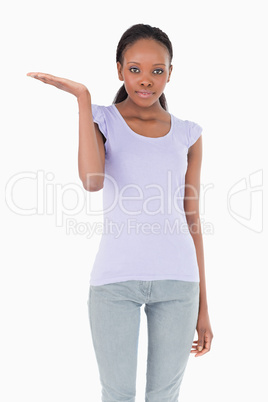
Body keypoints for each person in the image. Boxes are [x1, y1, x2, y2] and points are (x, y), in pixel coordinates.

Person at [27, 23, 213, 402]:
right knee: (117, 395)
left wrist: (204, 307)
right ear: (119, 69)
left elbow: (191, 219)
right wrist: (82, 99)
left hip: (179, 284)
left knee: (164, 396)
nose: (146, 81)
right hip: (114, 284)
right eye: (135, 69)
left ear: (170, 73)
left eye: (157, 71)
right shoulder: (102, 119)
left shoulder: (189, 134)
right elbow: (93, 180)